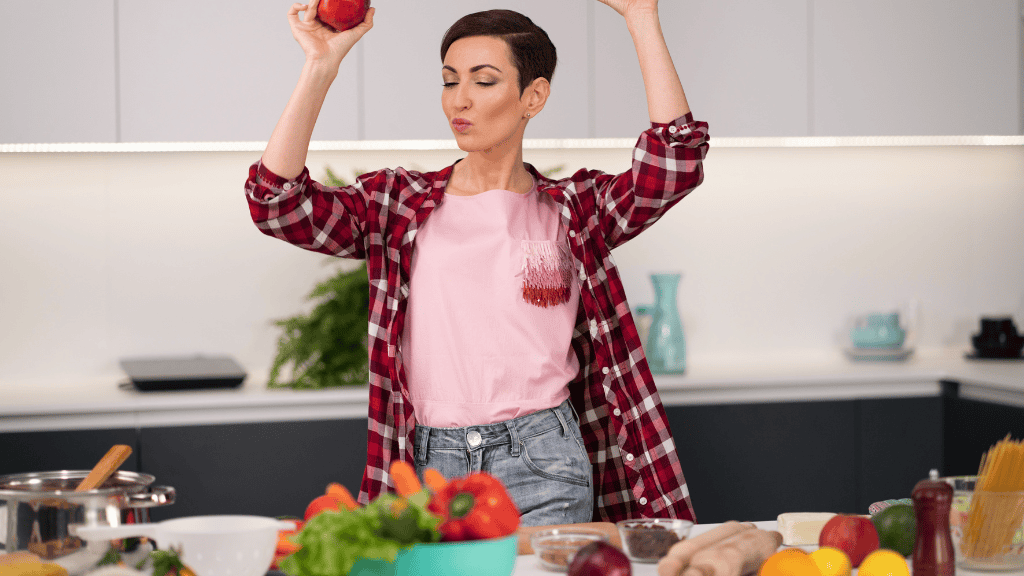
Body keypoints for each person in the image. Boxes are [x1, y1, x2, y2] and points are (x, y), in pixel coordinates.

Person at [246, 0, 709, 525]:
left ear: (533, 96)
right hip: (426, 467)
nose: (459, 100)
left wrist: (641, 17)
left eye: (484, 81)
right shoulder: (398, 204)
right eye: (449, 80)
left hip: (544, 459)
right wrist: (320, 65)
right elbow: (276, 204)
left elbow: (677, 162)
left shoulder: (574, 209)